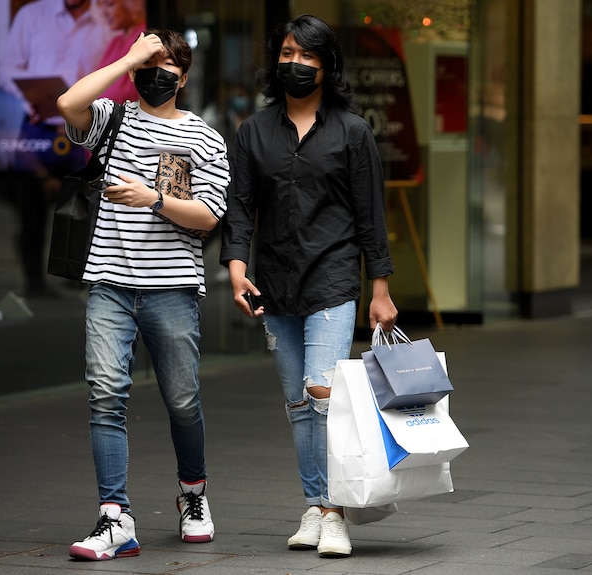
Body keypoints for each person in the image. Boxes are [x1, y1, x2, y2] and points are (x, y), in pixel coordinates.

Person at [219, 14, 398, 558]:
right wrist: (235, 267)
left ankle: (335, 514)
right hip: (274, 282)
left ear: (326, 65)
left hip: (334, 278)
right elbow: (242, 207)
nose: (296, 64)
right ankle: (316, 503)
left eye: (308, 56)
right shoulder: (254, 131)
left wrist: (381, 288)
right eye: (288, 54)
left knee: (324, 396)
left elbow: (370, 215)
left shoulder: (353, 131)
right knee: (298, 404)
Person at [56, 29, 230, 560]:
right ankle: (115, 517)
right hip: (110, 282)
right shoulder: (114, 120)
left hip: (173, 287)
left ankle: (193, 495)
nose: (157, 76)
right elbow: (69, 102)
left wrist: (152, 198)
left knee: (182, 399)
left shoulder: (205, 138)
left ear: (185, 74)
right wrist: (128, 57)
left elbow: (208, 216)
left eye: (167, 68)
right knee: (106, 395)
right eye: (148, 67)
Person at [0, 0, 110, 297]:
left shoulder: (104, 22)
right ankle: (34, 283)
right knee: (31, 210)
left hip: (84, 128)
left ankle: (75, 276)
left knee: (80, 207)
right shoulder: (32, 15)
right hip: (38, 125)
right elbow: (6, 67)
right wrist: (27, 100)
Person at [95, 0, 148, 104]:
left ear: (134, 3)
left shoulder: (145, 38)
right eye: (102, 6)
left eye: (110, 5)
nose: (104, 13)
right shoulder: (115, 42)